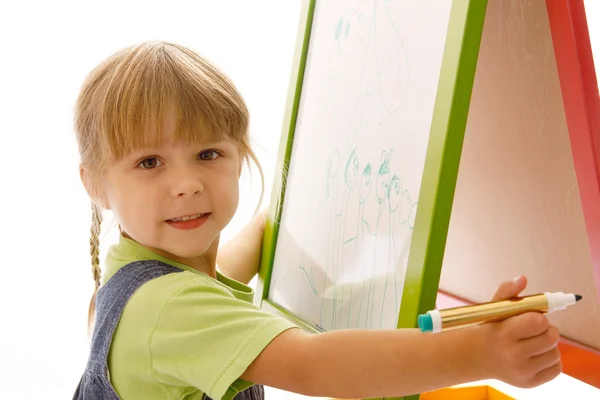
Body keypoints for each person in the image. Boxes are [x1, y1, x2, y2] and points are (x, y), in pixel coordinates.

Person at [72, 41, 562, 400]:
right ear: (95, 183)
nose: (187, 184)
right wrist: (482, 354)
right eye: (149, 163)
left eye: (207, 153)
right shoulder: (167, 306)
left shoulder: (131, 277)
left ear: (240, 156)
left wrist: (300, 205)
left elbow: (236, 261)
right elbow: (316, 364)